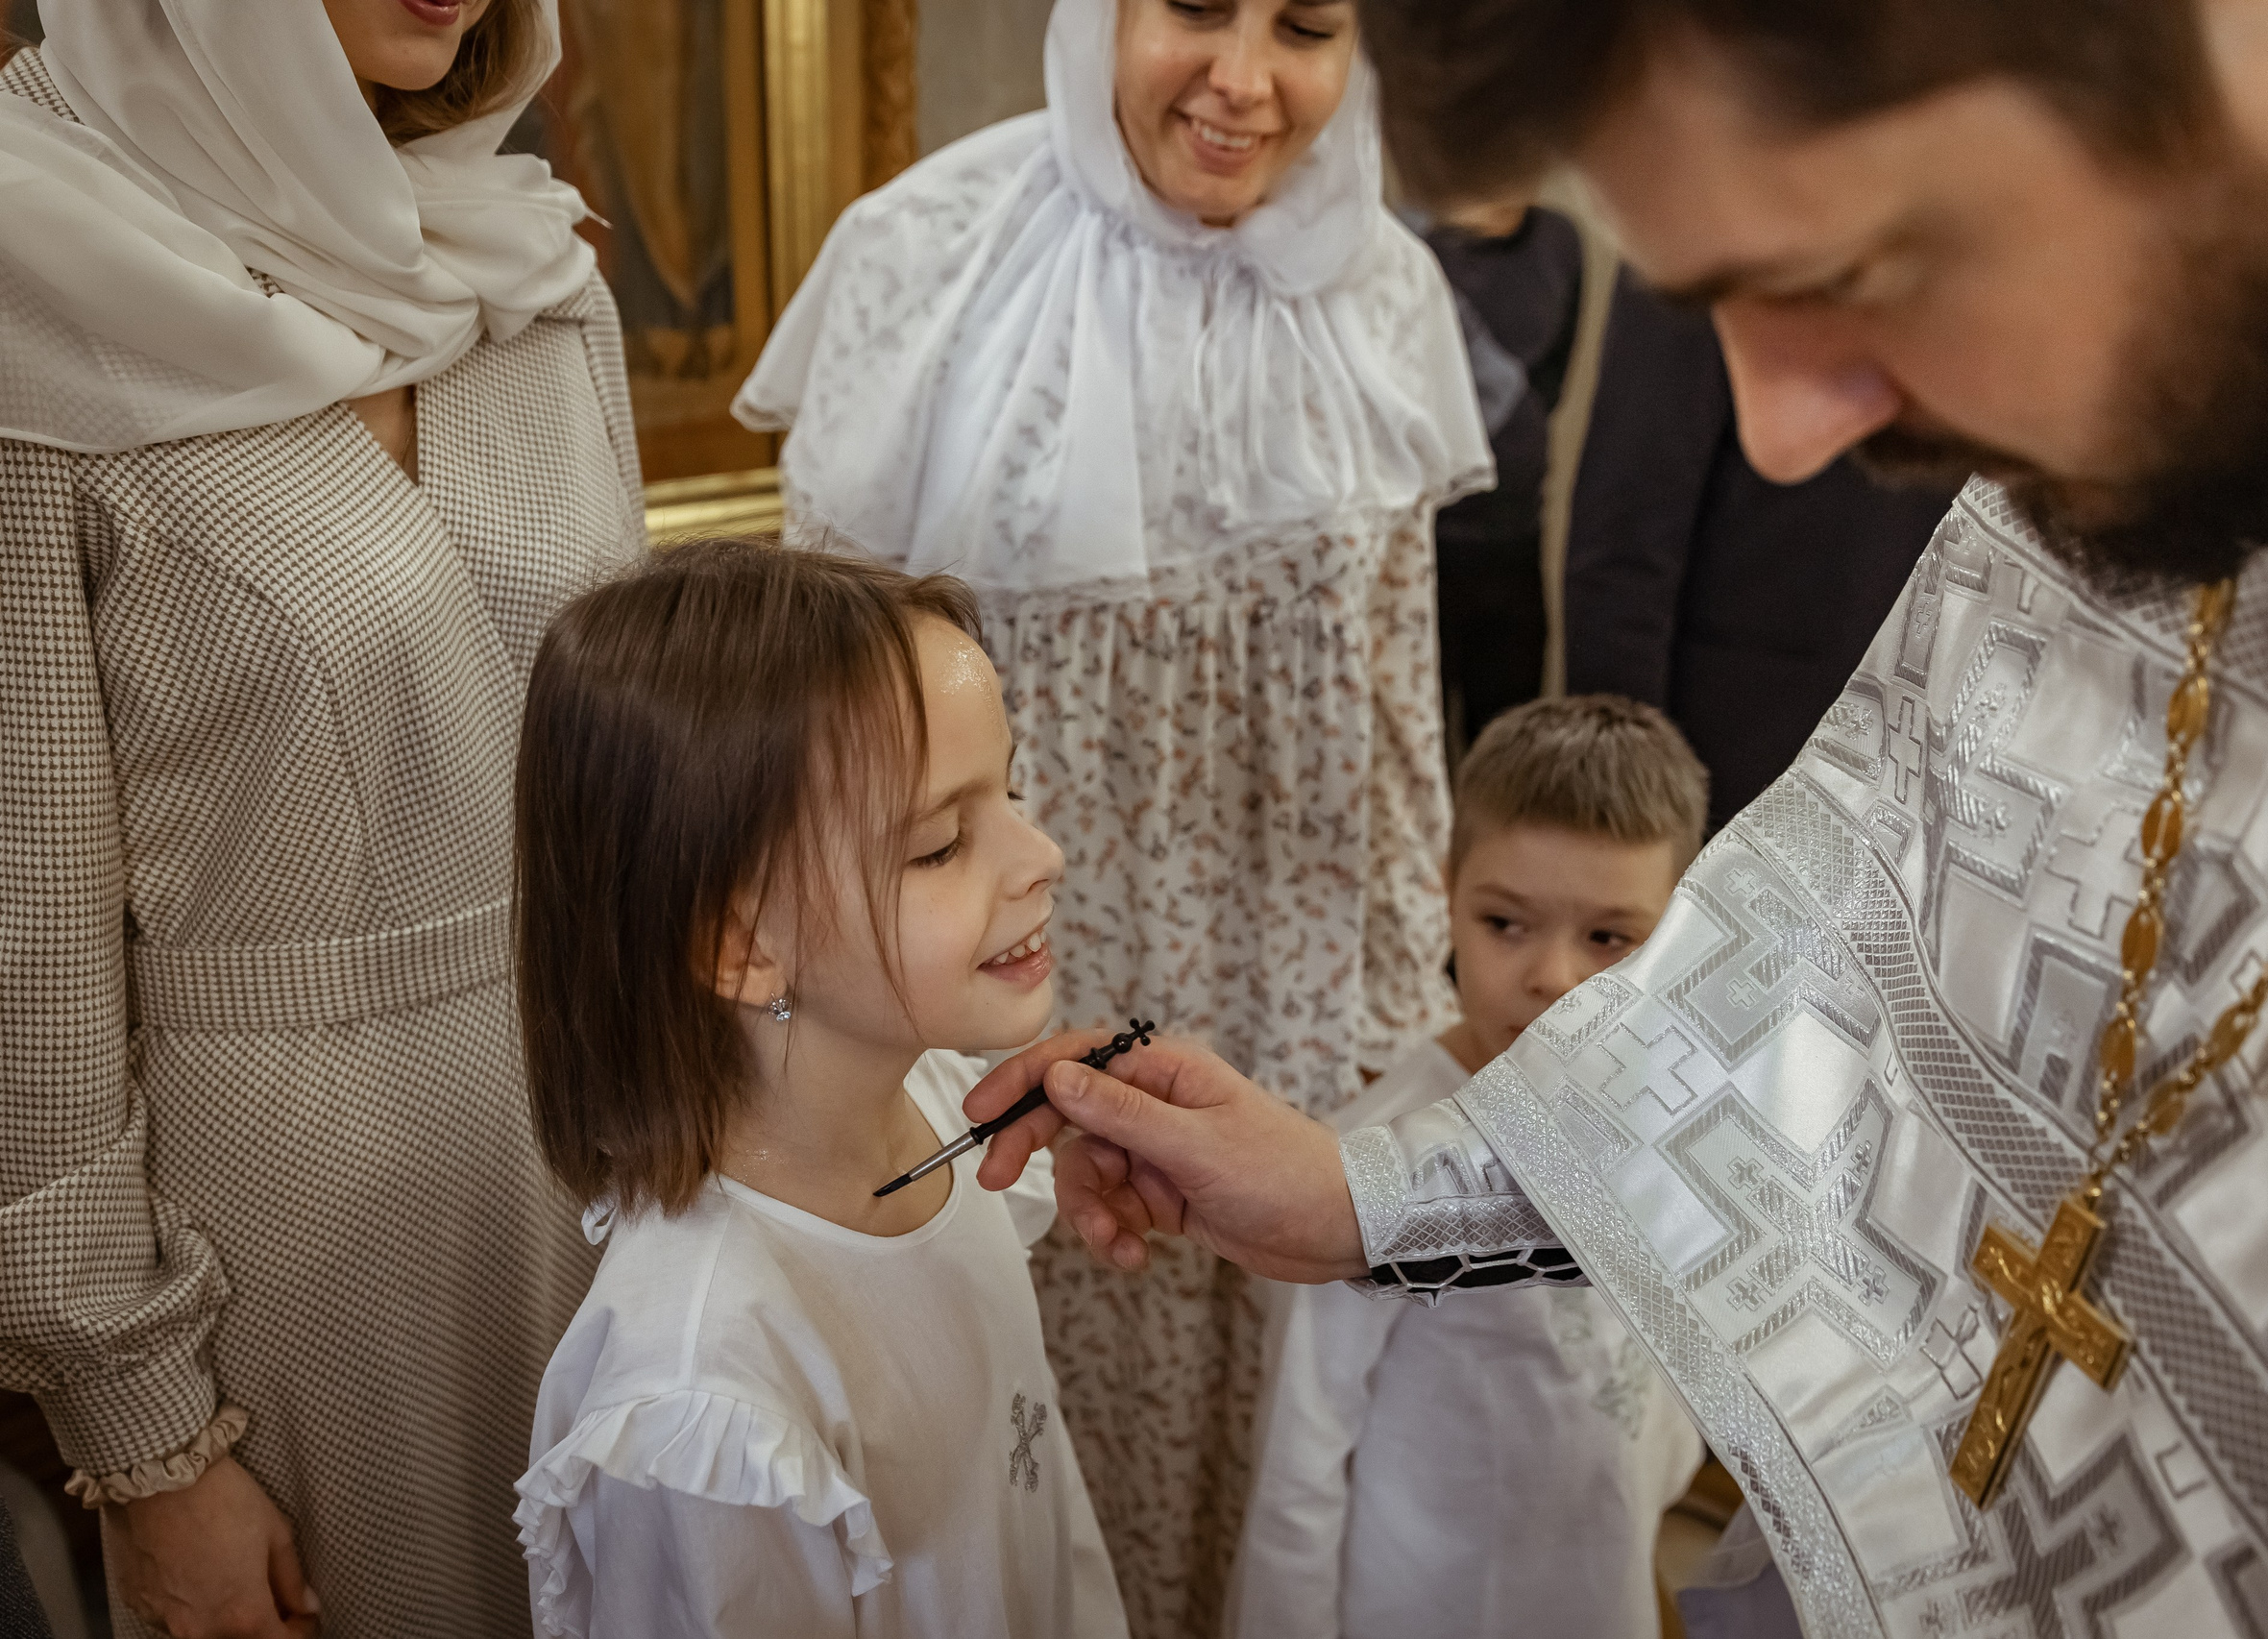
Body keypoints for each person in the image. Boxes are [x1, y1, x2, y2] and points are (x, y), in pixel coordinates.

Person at [956, 3, 2268, 1637]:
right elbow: (1806, 1034)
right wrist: (1361, 1195)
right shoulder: (2113, 440)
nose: (1787, 434)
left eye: (1853, 273)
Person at [733, 1, 1489, 1627]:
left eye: (1306, 25)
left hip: (1300, 1040)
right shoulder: (921, 258)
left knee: (1299, 1499)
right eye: (1196, 7)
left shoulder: (1386, 288)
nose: (1244, 78)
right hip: (994, 1027)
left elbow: (1397, 712)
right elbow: (811, 747)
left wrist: (1399, 1034)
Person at [0, 0, 644, 1631]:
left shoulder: (525, 261)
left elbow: (640, 785)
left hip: (632, 1173)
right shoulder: (30, 286)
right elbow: (26, 954)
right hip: (286, 1265)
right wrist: (147, 1441)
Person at [510, 542, 1127, 1639]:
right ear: (741, 945)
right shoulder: (706, 1403)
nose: (1042, 853)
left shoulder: (939, 1102)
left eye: (1013, 788)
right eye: (940, 845)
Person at [1228, 697, 1707, 1639]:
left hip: (1597, 1579)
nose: (1555, 978)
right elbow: (1298, 1463)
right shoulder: (1367, 1163)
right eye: (1505, 922)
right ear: (1446, 894)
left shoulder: (1676, 1120)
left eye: (1609, 937)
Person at [1562, 273, 1957, 830]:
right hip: (1734, 755)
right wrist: (1614, 809)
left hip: (1926, 764)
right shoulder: (1709, 224)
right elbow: (1625, 537)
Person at [1415, 202, 1588, 748]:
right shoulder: (1404, 242)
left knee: (1511, 749)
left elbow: (1552, 376)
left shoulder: (1559, 241)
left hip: (1516, 542)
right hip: (1419, 549)